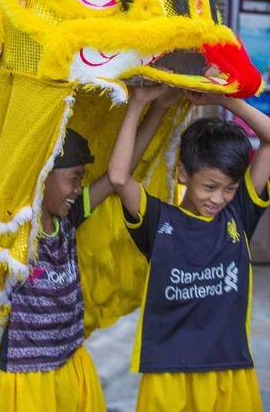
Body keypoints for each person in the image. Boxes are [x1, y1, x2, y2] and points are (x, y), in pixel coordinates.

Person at [0, 88, 179, 412]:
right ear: (42, 175)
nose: (79, 189)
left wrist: (153, 108)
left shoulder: (69, 219)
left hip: (72, 365)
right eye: (74, 178)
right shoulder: (16, 232)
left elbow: (118, 176)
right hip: (29, 380)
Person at [108, 86, 270, 412]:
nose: (218, 198)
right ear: (183, 173)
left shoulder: (238, 214)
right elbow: (118, 178)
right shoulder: (157, 220)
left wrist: (224, 100)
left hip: (229, 368)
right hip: (167, 373)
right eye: (209, 186)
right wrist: (139, 102)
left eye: (230, 188)